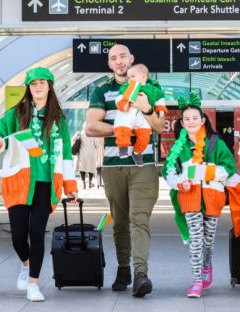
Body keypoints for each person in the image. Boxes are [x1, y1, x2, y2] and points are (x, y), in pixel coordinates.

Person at [0, 67, 78, 302]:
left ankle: (33, 284)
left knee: (37, 233)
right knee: (18, 235)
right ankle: (26, 264)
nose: (38, 86)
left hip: (46, 184)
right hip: (19, 181)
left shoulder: (58, 119)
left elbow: (66, 154)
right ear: (28, 87)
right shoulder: (15, 114)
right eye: (33, 83)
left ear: (49, 86)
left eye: (42, 82)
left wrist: (70, 188)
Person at [85, 44, 165, 297]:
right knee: (120, 222)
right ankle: (123, 268)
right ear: (109, 64)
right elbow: (90, 127)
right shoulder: (102, 90)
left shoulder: (152, 88)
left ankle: (141, 273)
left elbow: (160, 126)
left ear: (131, 59)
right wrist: (121, 130)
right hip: (113, 165)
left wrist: (146, 109)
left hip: (144, 166)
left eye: (123, 57)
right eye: (113, 58)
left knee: (138, 219)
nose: (119, 61)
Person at [162, 93, 240, 298]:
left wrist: (208, 171)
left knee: (207, 241)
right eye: (186, 119)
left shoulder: (215, 143)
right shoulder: (177, 148)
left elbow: (229, 167)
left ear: (203, 120)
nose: (191, 122)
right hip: (189, 197)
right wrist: (179, 182)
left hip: (212, 198)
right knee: (196, 239)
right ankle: (196, 280)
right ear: (181, 122)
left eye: (195, 118)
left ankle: (206, 266)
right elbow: (168, 171)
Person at [114, 64, 167, 165]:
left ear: (143, 76)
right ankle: (122, 146)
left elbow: (160, 100)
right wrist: (123, 104)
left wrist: (160, 110)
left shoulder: (153, 89)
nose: (130, 79)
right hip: (128, 113)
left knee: (144, 135)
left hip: (143, 117)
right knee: (122, 127)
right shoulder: (126, 87)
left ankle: (137, 152)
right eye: (129, 77)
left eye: (132, 76)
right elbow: (120, 98)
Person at [73, 122, 101, 189]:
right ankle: (90, 183)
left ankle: (83, 183)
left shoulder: (81, 133)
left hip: (83, 152)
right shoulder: (93, 134)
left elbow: (74, 140)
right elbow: (97, 145)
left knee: (82, 168)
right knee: (91, 168)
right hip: (92, 153)